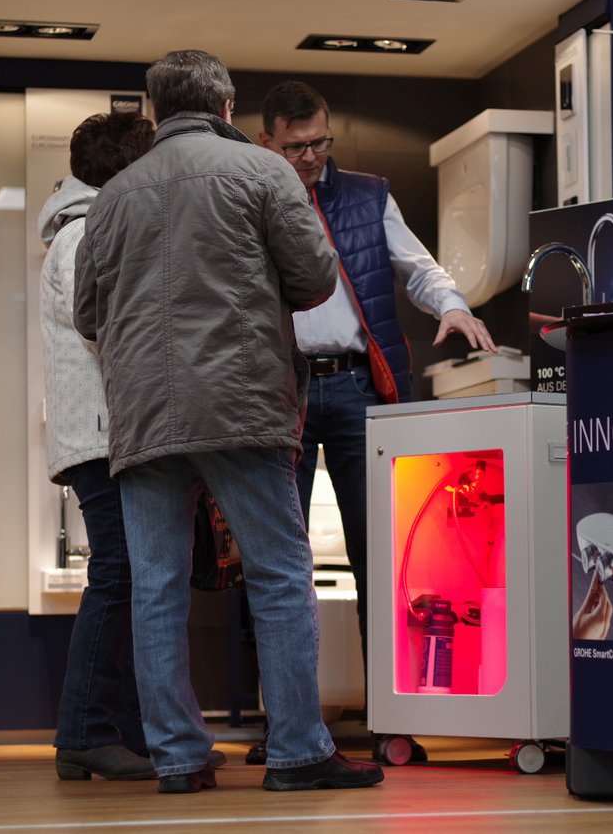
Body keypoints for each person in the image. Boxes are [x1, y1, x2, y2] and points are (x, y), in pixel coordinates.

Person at [74, 50, 383, 795]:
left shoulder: (111, 198)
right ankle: (298, 752)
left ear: (155, 110)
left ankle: (179, 760)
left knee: (156, 588)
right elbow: (315, 277)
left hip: (145, 415)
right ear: (227, 105)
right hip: (243, 405)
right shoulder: (263, 171)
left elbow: (87, 313)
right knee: (278, 575)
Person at [256, 80, 497, 762]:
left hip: (360, 385)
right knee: (281, 565)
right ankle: (288, 728)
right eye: (296, 147)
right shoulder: (253, 200)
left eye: (320, 143)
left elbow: (417, 267)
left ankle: (391, 720)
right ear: (268, 142)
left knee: (381, 560)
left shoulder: (367, 195)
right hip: (284, 390)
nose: (311, 157)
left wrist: (453, 305)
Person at [40, 111, 229, 781]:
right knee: (120, 573)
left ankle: (125, 729)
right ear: (130, 169)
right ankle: (85, 731)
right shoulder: (85, 233)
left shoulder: (83, 228)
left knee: (128, 576)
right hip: (102, 432)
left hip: (101, 430)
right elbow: (109, 330)